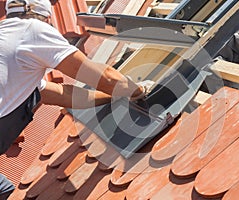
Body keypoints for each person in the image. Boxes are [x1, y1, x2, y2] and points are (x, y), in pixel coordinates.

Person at [0, 0, 154, 198]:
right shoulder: (33, 30)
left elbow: (63, 95)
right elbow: (104, 77)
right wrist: (138, 91)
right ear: (47, 18)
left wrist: (110, 98)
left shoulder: (7, 42)